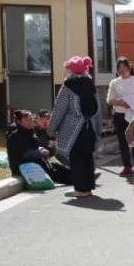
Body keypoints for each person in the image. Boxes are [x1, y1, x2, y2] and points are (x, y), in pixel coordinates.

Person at [49, 56, 103, 198]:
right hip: (89, 128)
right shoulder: (91, 86)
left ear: (70, 70)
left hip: (73, 129)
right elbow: (98, 111)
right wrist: (98, 130)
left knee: (76, 159)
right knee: (87, 158)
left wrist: (51, 129)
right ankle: (88, 187)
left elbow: (59, 109)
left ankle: (79, 189)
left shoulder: (67, 87)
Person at [5, 110, 72, 186]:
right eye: (27, 120)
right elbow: (24, 155)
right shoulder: (15, 136)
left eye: (31, 119)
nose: (30, 121)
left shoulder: (29, 132)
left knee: (59, 167)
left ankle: (81, 177)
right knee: (60, 175)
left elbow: (34, 147)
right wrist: (40, 152)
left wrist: (40, 149)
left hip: (37, 164)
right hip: (26, 168)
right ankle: (79, 181)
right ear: (19, 121)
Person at [107, 56, 134, 178]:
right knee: (123, 141)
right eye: (119, 68)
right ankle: (127, 166)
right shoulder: (114, 82)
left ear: (129, 67)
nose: (121, 70)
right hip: (120, 114)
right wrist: (121, 102)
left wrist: (131, 101)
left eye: (124, 67)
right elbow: (109, 100)